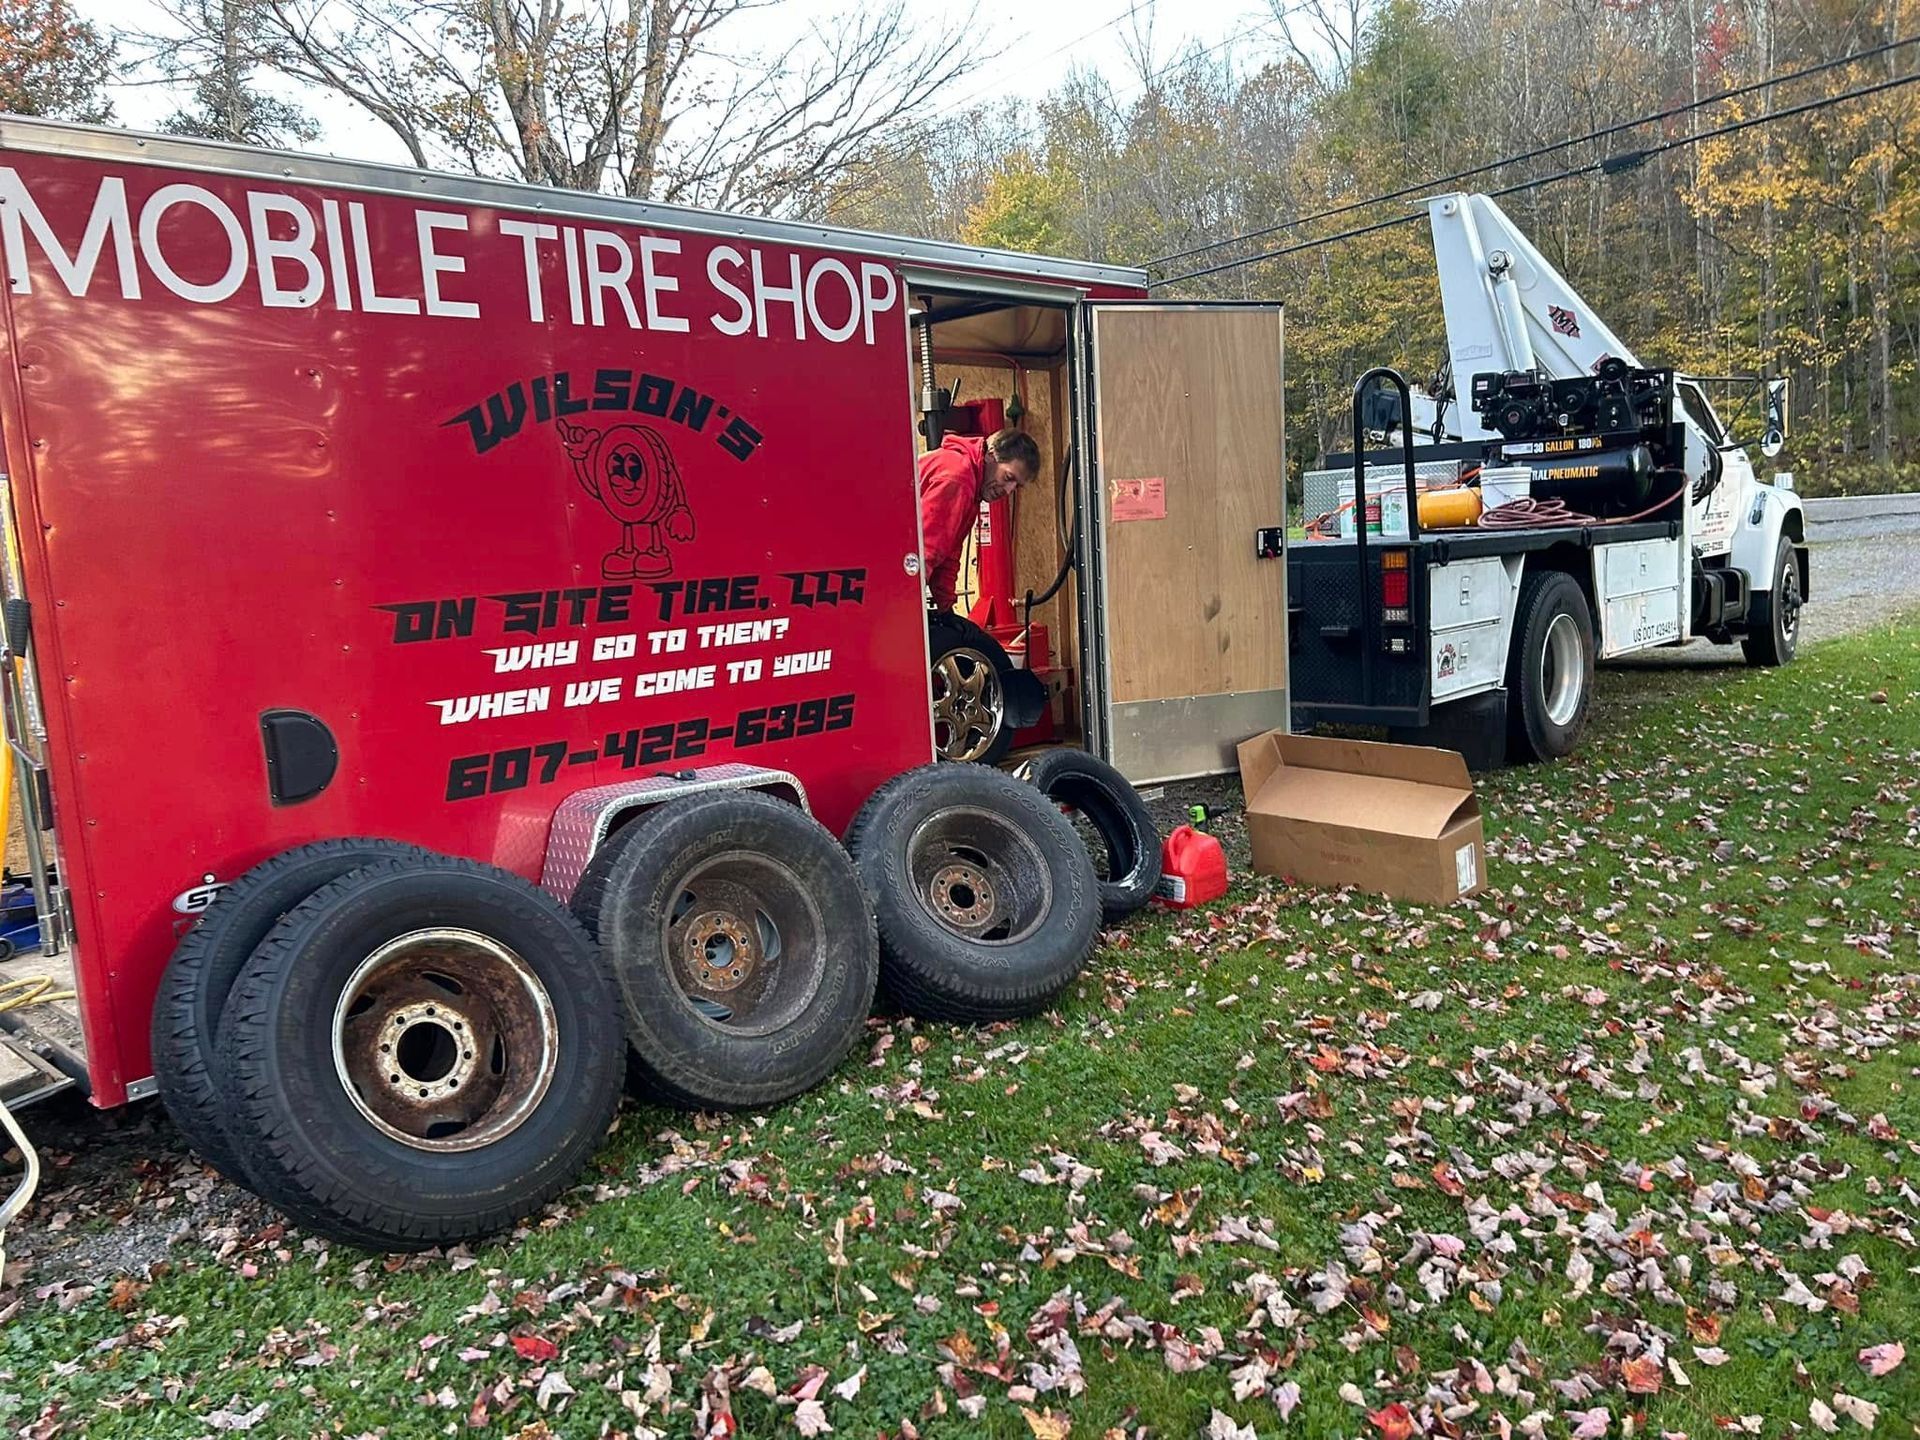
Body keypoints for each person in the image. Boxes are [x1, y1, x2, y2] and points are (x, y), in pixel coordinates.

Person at [916, 428, 1041, 610]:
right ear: (991, 455)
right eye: (1008, 477)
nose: (1007, 490)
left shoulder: (972, 484)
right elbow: (925, 552)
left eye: (1015, 486)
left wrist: (946, 609)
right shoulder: (959, 478)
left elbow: (948, 553)